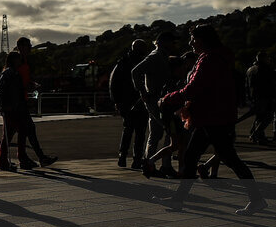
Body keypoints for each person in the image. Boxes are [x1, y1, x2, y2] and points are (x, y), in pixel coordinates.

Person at [155, 24, 267, 215]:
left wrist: (167, 99)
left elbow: (193, 88)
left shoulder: (209, 60)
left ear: (203, 40)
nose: (190, 42)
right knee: (194, 157)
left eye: (193, 39)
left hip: (212, 117)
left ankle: (257, 199)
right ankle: (179, 199)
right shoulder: (217, 57)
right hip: (214, 116)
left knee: (229, 158)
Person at [132, 31, 177, 176]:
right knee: (170, 131)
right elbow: (135, 72)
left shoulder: (161, 56)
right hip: (156, 100)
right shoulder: (155, 56)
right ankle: (164, 165)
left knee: (156, 133)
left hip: (157, 100)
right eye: (171, 41)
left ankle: (149, 163)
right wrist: (143, 92)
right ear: (163, 42)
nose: (173, 44)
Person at [13, 37, 57, 168]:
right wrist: (27, 87)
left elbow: (24, 80)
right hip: (19, 102)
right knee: (28, 129)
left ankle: (4, 157)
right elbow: (17, 81)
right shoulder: (18, 61)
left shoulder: (24, 61)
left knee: (16, 131)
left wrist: (32, 84)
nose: (31, 47)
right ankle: (37, 157)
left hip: (21, 101)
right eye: (28, 45)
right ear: (20, 46)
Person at [109, 39, 149, 169]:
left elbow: (113, 82)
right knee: (140, 132)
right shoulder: (144, 61)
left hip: (126, 102)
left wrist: (116, 101)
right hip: (138, 100)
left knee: (128, 130)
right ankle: (137, 158)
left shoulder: (122, 62)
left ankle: (123, 156)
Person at [0, 51, 27, 171]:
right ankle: (3, 161)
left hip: (13, 107)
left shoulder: (12, 73)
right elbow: (0, 91)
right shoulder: (9, 73)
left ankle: (3, 160)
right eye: (18, 59)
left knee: (10, 134)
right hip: (10, 108)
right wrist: (4, 105)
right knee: (9, 134)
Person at [245, 51, 275, 144]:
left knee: (259, 117)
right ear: (263, 59)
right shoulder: (265, 69)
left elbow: (247, 85)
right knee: (268, 116)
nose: (269, 60)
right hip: (264, 96)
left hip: (253, 96)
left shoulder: (250, 69)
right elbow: (269, 84)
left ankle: (257, 136)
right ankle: (256, 134)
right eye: (267, 58)